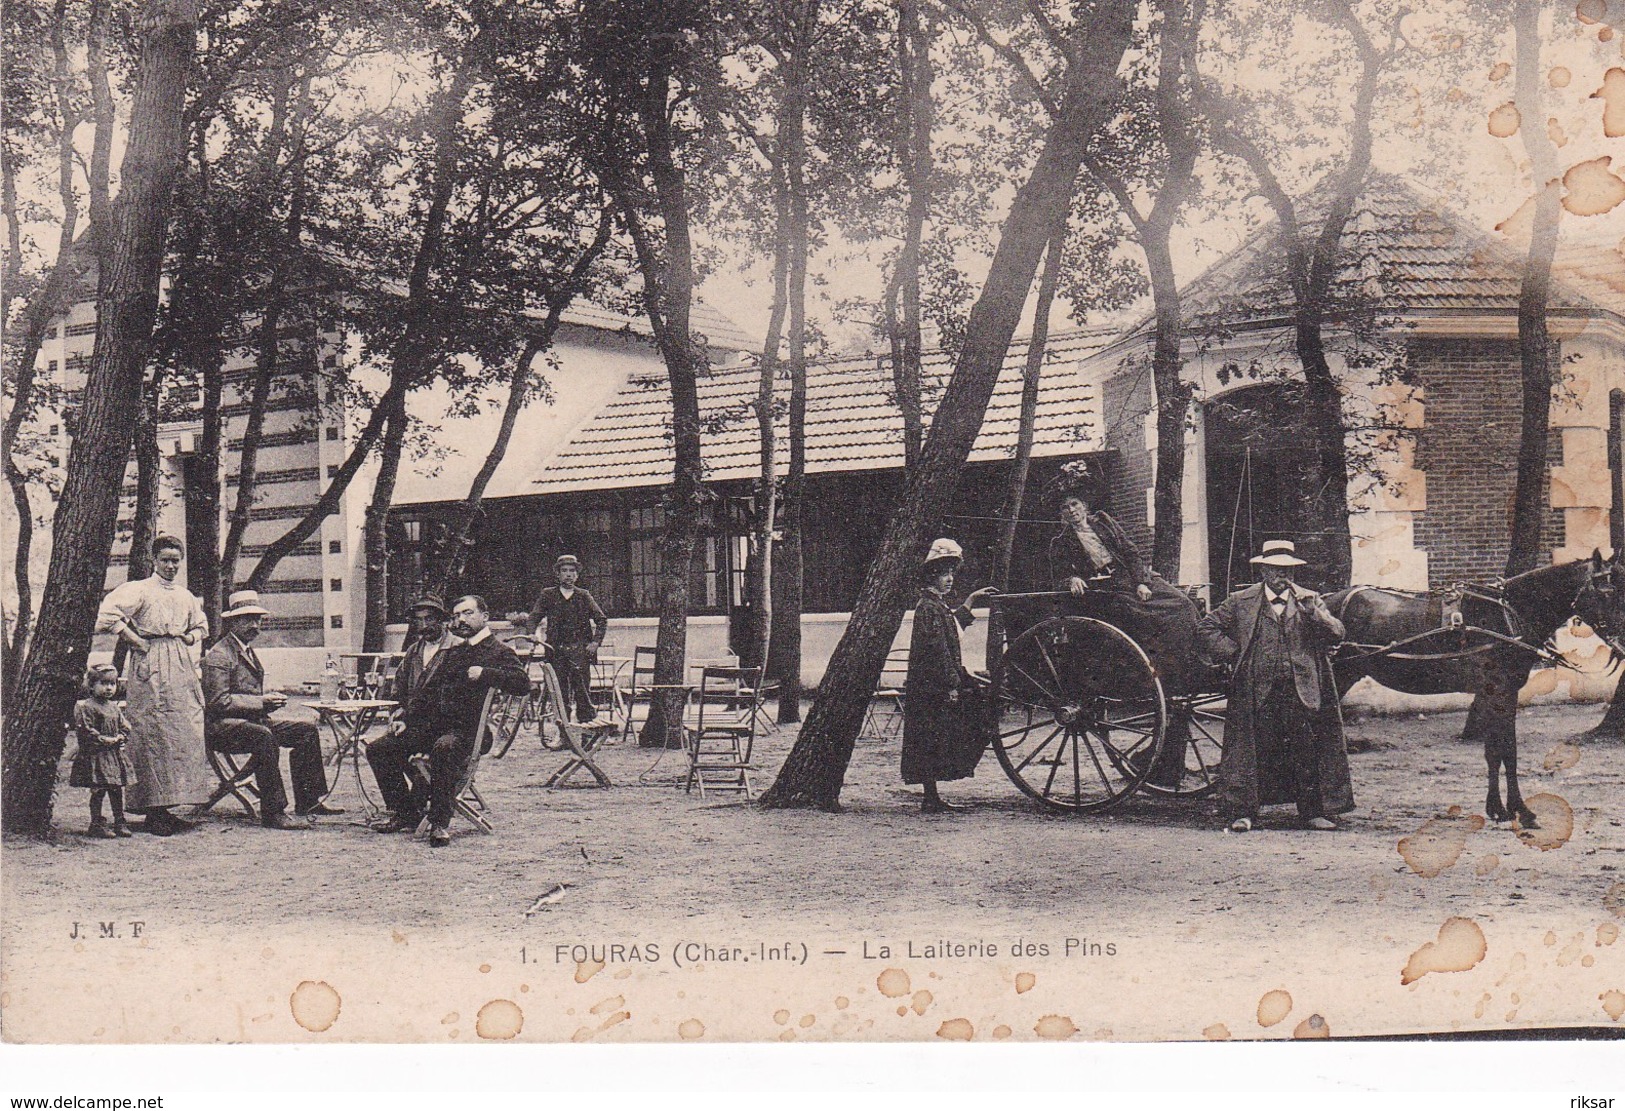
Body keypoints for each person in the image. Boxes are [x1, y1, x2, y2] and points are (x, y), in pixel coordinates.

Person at [1046, 460, 1202, 787]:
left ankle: (1189, 656)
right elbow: (1059, 574)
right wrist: (1072, 578)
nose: (1071, 511)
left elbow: (1131, 553)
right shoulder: (1060, 543)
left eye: (1074, 505)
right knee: (1139, 615)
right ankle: (1158, 662)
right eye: (1065, 508)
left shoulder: (1104, 523)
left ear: (1085, 506)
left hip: (1134, 580)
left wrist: (1142, 581)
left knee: (1183, 605)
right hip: (1105, 593)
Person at [1195, 539, 1355, 833]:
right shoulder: (1241, 600)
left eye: (1290, 570)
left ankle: (1311, 813)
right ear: (1264, 571)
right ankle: (1244, 813)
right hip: (1257, 687)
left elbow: (1337, 633)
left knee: (1306, 748)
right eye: (1278, 569)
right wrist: (1234, 652)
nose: (1285, 576)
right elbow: (1206, 627)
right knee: (1253, 750)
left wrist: (1313, 613)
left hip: (1301, 688)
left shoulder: (1309, 598)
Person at [368, 594, 531, 846]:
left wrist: (486, 673)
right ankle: (405, 812)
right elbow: (428, 693)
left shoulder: (498, 651)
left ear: (484, 617)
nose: (461, 620)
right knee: (380, 748)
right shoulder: (455, 650)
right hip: (435, 727)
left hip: (469, 731)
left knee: (444, 748)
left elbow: (523, 684)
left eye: (468, 613)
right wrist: (405, 719)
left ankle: (439, 822)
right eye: (457, 616)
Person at [95, 535, 211, 836]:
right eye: (165, 560)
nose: (171, 565)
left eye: (176, 560)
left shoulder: (185, 595)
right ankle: (153, 811)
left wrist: (189, 637)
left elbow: (201, 625)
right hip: (150, 661)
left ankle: (173, 806)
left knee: (181, 732)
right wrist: (133, 639)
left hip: (180, 663)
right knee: (152, 732)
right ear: (154, 560)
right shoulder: (141, 590)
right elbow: (107, 614)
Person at [202, 590, 339, 830]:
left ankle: (309, 800)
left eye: (258, 619)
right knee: (264, 737)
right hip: (222, 729)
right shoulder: (219, 655)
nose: (255, 625)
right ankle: (273, 812)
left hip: (250, 722)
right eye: (248, 619)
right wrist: (261, 702)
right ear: (233, 621)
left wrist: (264, 702)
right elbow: (217, 702)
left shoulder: (245, 649)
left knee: (306, 730)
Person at [903, 538, 998, 813]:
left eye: (952, 573)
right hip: (932, 685)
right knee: (933, 736)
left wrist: (971, 600)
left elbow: (954, 628)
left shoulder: (937, 605)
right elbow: (938, 649)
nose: (949, 579)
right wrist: (953, 683)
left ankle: (932, 796)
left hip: (936, 683)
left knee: (935, 736)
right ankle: (930, 797)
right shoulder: (928, 607)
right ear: (932, 574)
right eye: (944, 573)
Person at [527, 555, 609, 723]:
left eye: (572, 571)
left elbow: (601, 620)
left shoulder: (583, 595)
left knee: (582, 693)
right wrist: (531, 633)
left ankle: (587, 734)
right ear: (557, 574)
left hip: (579, 651)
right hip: (556, 651)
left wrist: (595, 643)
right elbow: (533, 617)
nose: (568, 575)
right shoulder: (548, 595)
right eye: (564, 571)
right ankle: (563, 734)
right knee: (559, 694)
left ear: (577, 575)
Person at [69, 664, 137, 839]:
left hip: (113, 755)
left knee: (116, 789)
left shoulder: (113, 706)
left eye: (112, 684)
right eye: (103, 683)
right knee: (98, 790)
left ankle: (120, 821)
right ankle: (97, 823)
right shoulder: (87, 707)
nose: (109, 688)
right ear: (91, 685)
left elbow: (124, 725)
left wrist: (121, 736)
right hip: (96, 755)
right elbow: (86, 730)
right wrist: (104, 739)